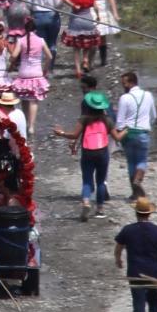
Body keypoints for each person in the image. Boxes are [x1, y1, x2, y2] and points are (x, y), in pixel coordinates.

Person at [56, 85, 115, 220]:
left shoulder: (84, 119)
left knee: (87, 180)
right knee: (101, 181)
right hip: (102, 151)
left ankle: (86, 202)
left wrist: (61, 133)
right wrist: (126, 130)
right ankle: (100, 209)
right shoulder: (107, 120)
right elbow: (116, 137)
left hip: (88, 151)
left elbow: (74, 135)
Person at [114, 69, 157, 193]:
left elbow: (120, 121)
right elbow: (154, 116)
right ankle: (138, 180)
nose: (123, 86)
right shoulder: (148, 95)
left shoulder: (124, 98)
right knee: (142, 160)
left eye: (124, 83)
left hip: (128, 134)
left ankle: (134, 192)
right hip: (143, 133)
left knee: (131, 162)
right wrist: (147, 125)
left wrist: (118, 135)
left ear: (131, 83)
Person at [62, 0, 101, 80]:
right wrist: (98, 16)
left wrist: (73, 5)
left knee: (76, 48)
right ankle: (86, 59)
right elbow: (95, 6)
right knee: (87, 42)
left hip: (76, 20)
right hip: (88, 19)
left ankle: (78, 71)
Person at [29, 0, 61, 68]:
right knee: (52, 43)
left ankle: (41, 68)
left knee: (40, 44)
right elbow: (57, 4)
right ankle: (50, 67)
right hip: (52, 16)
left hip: (38, 17)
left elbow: (29, 4)